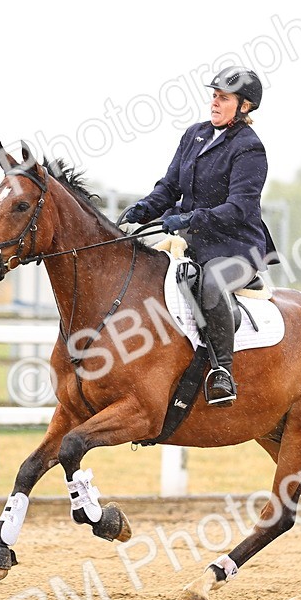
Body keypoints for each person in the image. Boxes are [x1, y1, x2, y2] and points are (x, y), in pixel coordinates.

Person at [121, 66, 279, 407]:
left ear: (245, 106)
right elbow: (169, 187)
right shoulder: (195, 135)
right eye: (214, 96)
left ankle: (223, 372)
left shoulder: (250, 148)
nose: (215, 103)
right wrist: (143, 209)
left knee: (211, 283)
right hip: (193, 245)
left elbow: (239, 208)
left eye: (224, 98)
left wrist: (189, 218)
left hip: (238, 250)